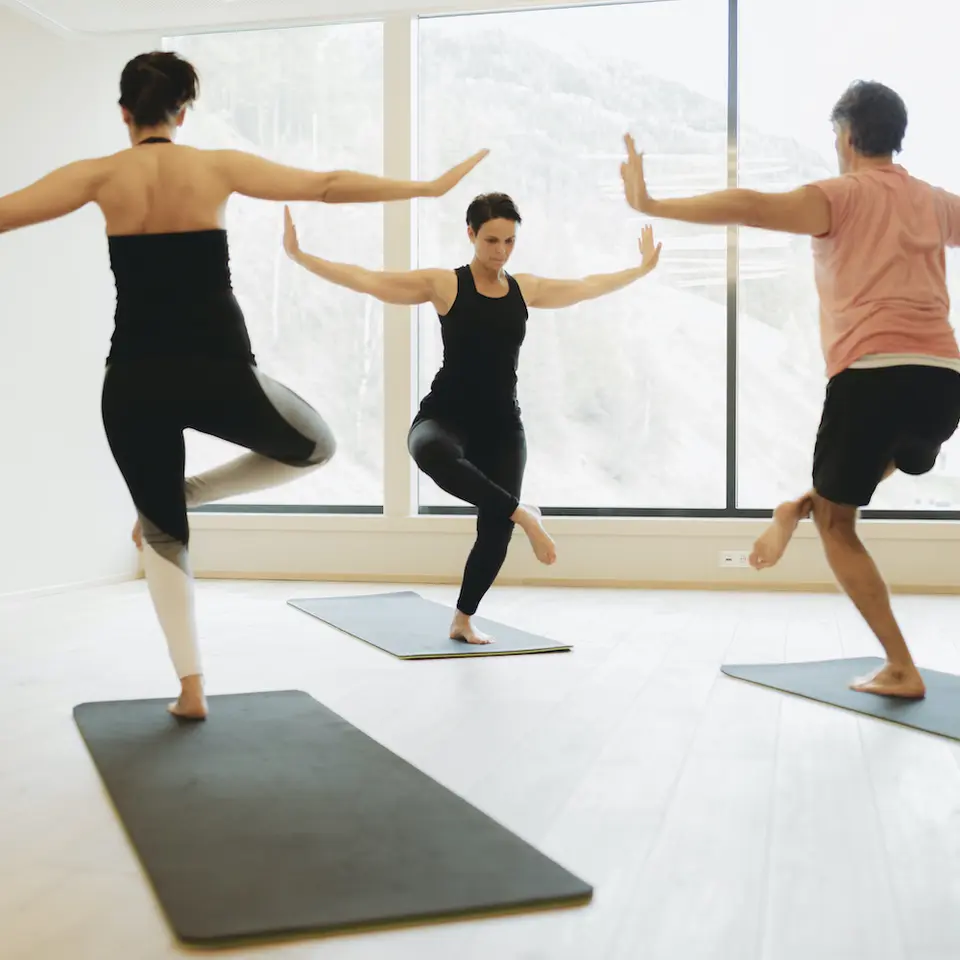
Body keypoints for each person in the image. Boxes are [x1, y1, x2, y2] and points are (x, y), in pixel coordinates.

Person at [0, 50, 488, 719]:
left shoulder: (97, 175)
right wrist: (426, 190)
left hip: (133, 378)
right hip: (219, 368)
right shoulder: (215, 166)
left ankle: (190, 688)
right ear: (183, 111)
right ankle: (185, 501)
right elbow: (326, 184)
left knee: (165, 533)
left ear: (123, 114)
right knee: (314, 445)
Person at [620, 80, 960, 699]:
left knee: (837, 523)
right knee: (851, 483)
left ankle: (901, 667)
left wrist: (653, 204)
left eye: (835, 136)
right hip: (942, 387)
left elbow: (750, 205)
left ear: (848, 137)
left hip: (872, 376)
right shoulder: (935, 203)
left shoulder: (843, 195)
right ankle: (790, 510)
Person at [283, 192, 662, 644]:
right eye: (490, 241)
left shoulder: (525, 289)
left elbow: (585, 285)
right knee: (428, 450)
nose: (500, 251)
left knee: (494, 529)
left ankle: (463, 618)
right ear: (470, 234)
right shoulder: (447, 285)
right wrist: (301, 256)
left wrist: (638, 270)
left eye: (509, 241)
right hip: (446, 416)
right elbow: (369, 279)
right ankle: (523, 512)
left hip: (503, 426)